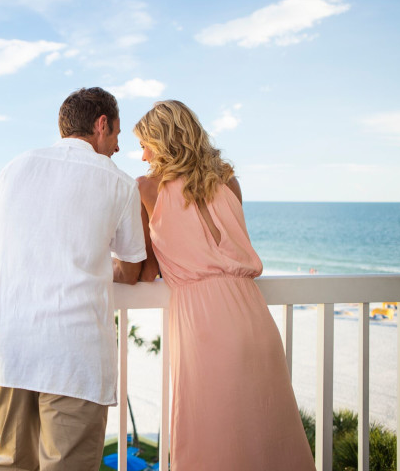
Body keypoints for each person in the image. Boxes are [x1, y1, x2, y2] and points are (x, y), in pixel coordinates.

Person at [133, 100, 314, 470]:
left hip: (204, 325)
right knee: (264, 434)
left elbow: (146, 270)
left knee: (211, 437)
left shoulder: (147, 188)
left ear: (163, 141)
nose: (142, 156)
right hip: (252, 315)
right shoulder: (228, 181)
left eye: (145, 144)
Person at [0, 87, 148, 470]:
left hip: (11, 346)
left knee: (13, 464)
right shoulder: (119, 182)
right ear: (101, 124)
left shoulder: (15, 166)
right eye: (118, 136)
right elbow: (133, 269)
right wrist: (99, 267)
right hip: (74, 353)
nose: (118, 148)